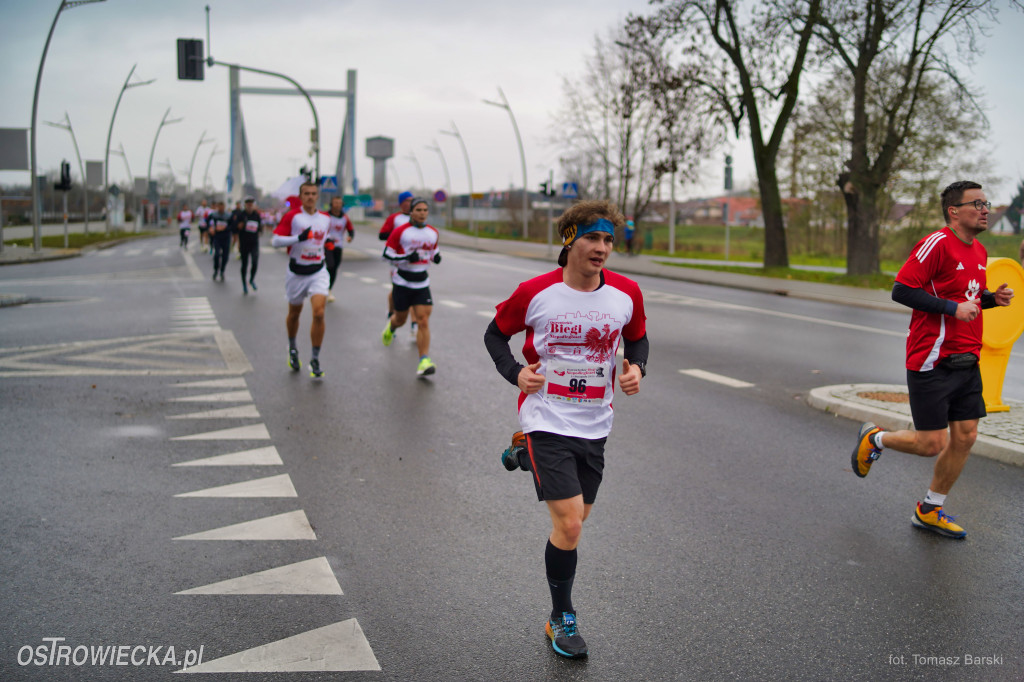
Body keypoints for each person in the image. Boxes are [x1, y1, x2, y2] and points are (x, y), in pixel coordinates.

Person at [483, 199, 648, 659]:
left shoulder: (626, 293)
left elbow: (636, 337)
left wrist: (638, 368)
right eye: (593, 237)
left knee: (575, 523)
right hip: (546, 417)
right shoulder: (535, 292)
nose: (602, 248)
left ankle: (521, 453)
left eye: (609, 240)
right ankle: (561, 618)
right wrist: (515, 373)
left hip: (596, 423)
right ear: (569, 238)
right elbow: (494, 334)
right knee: (571, 524)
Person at [850, 180, 1014, 538]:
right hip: (932, 358)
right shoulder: (936, 243)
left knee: (967, 436)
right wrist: (953, 308)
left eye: (986, 203)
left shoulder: (981, 252)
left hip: (968, 358)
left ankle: (930, 508)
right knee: (931, 443)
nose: (985, 209)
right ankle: (875, 438)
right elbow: (902, 289)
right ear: (954, 211)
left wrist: (990, 299)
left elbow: (964, 296)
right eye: (977, 203)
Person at [271, 181, 345, 379]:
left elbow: (323, 236)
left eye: (313, 193)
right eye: (307, 194)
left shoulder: (325, 218)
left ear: (317, 196)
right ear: (301, 196)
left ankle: (315, 358)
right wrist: (298, 238)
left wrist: (327, 243)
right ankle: (293, 347)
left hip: (318, 272)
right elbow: (275, 240)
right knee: (294, 313)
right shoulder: (293, 217)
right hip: (296, 272)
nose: (310, 197)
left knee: (319, 313)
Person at [380, 197, 441, 376]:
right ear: (412, 212)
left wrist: (436, 257)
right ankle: (391, 326)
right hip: (402, 282)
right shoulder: (400, 232)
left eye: (425, 210)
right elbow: (385, 255)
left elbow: (433, 250)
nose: (422, 213)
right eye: (419, 210)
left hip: (422, 282)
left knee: (423, 320)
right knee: (401, 319)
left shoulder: (433, 232)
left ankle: (424, 360)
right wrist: (406, 258)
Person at [379, 191, 414, 320]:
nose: (410, 203)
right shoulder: (394, 218)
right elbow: (382, 235)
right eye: (407, 200)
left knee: (413, 292)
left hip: (413, 260)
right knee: (396, 289)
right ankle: (391, 313)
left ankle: (414, 325)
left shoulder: (416, 219)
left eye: (412, 200)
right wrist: (397, 235)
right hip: (396, 260)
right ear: (401, 203)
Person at [325, 195, 354, 303]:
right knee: (330, 265)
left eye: (339, 203)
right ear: (331, 204)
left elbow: (351, 230)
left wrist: (350, 237)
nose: (337, 205)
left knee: (334, 268)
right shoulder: (325, 216)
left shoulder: (345, 218)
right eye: (335, 203)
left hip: (338, 245)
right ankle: (323, 287)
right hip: (326, 245)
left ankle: (328, 289)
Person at [236, 196, 263, 295]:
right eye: (248, 204)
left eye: (251, 204)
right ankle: (244, 284)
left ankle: (251, 279)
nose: (250, 206)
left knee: (255, 262)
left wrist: (260, 229)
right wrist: (239, 226)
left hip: (254, 243)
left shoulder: (256, 215)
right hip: (244, 243)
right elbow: (235, 227)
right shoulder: (241, 215)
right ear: (245, 205)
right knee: (244, 264)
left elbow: (260, 227)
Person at [207, 200, 232, 281]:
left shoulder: (228, 216)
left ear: (224, 207)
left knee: (225, 256)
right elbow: (208, 222)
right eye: (219, 207)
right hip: (217, 237)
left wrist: (225, 228)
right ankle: (216, 270)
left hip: (226, 238)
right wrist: (210, 229)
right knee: (217, 255)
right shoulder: (214, 215)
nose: (221, 208)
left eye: (222, 207)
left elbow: (232, 226)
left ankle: (222, 270)